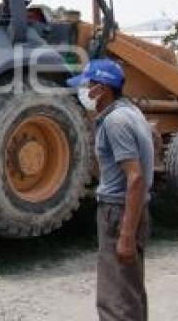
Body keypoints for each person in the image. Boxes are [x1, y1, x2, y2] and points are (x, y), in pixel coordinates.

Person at [67, 59, 154, 321]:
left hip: (118, 212)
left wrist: (125, 235)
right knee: (130, 292)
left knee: (116, 300)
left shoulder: (115, 122)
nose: (83, 91)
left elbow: (135, 178)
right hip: (131, 209)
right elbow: (154, 142)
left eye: (87, 85)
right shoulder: (131, 112)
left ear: (102, 89)